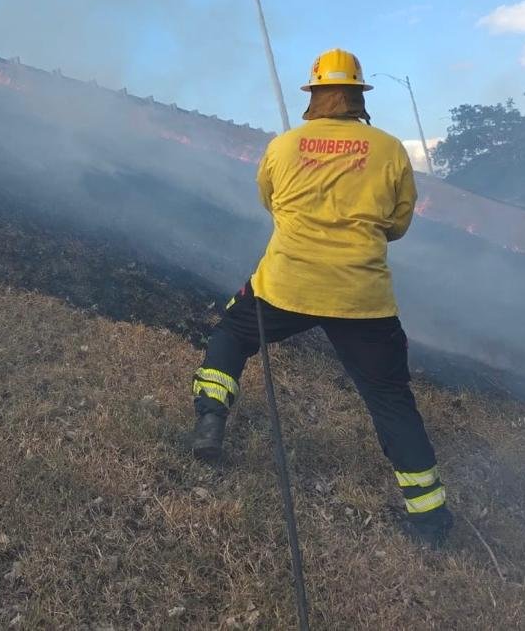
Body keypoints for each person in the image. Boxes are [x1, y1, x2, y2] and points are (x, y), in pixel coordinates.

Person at [188, 48, 453, 547]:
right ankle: (431, 521)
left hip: (286, 284)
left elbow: (272, 203)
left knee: (230, 334)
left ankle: (210, 417)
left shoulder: (284, 146)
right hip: (362, 297)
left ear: (313, 95)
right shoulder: (391, 149)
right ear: (358, 96)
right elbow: (396, 226)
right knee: (392, 401)